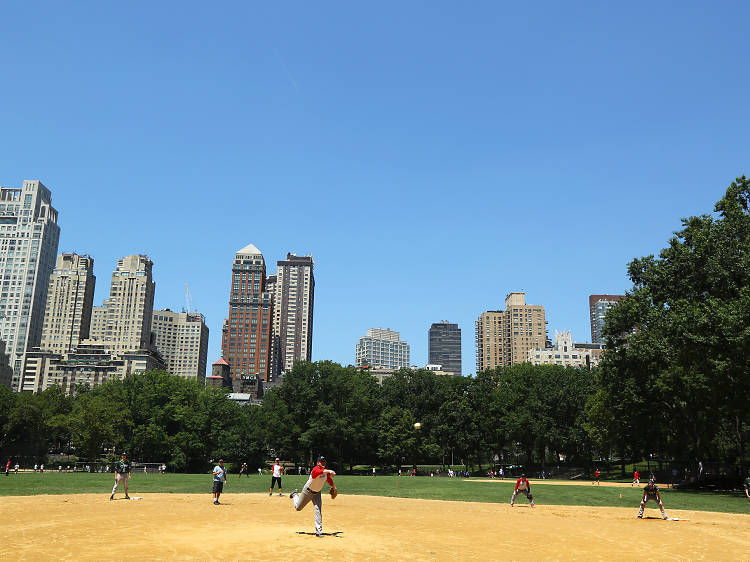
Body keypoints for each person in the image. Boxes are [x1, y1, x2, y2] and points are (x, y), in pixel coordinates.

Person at [289, 456, 337, 537]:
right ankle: (295, 495)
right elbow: (319, 473)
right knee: (298, 508)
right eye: (321, 462)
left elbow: (329, 479)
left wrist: (333, 487)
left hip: (317, 493)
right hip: (307, 491)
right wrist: (329, 471)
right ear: (318, 463)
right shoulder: (315, 470)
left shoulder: (325, 473)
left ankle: (319, 531)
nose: (323, 463)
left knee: (318, 510)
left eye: (324, 462)